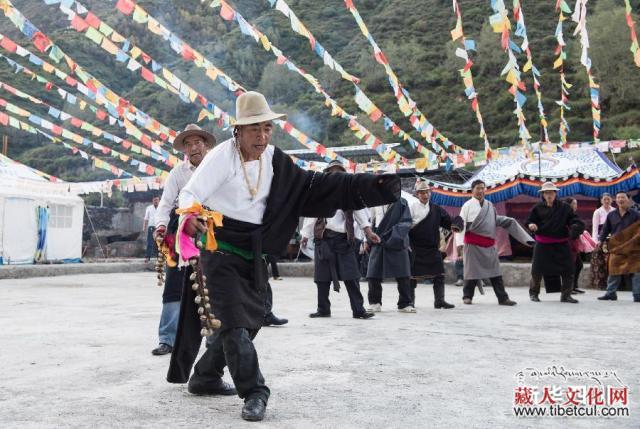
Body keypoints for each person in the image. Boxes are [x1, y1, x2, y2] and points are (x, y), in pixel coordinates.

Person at [167, 91, 400, 422]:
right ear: (238, 131)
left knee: (249, 322)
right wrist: (191, 217)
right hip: (218, 252)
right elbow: (190, 193)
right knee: (234, 323)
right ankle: (255, 391)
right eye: (254, 130)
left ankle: (205, 376)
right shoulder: (222, 156)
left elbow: (316, 186)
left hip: (254, 252)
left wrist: (371, 187)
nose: (261, 137)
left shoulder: (275, 160)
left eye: (266, 129)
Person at [151, 124, 215, 356]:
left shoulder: (217, 166)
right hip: (183, 230)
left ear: (206, 145)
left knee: (213, 283)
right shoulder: (178, 172)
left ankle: (213, 338)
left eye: (198, 142)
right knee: (174, 283)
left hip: (212, 229)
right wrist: (160, 226)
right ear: (184, 150)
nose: (194, 147)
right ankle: (167, 338)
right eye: (188, 144)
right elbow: (167, 203)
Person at [301, 160, 380, 319]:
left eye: (339, 172)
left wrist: (369, 232)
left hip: (344, 240)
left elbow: (360, 215)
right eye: (332, 172)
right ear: (328, 174)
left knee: (351, 276)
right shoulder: (320, 193)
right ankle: (323, 309)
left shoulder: (350, 194)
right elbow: (311, 216)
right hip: (323, 240)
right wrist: (305, 234)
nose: (336, 175)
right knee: (322, 278)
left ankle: (358, 310)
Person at [460, 179, 531, 306]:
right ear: (472, 190)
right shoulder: (467, 206)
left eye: (483, 188)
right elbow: (460, 226)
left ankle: (503, 298)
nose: (481, 191)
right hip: (472, 245)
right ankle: (467, 296)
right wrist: (460, 245)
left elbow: (493, 220)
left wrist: (508, 221)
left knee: (496, 273)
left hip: (489, 245)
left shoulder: (489, 205)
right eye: (478, 188)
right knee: (472, 272)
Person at [527, 183, 584, 303]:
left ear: (555, 194)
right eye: (546, 193)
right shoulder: (537, 208)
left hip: (561, 244)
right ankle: (534, 293)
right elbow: (529, 221)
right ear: (542, 194)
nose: (549, 195)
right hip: (542, 244)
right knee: (537, 270)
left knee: (568, 269)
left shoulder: (565, 208)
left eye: (551, 192)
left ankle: (566, 295)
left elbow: (574, 220)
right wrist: (531, 225)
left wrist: (575, 226)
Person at [408, 181, 461, 309]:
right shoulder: (411, 208)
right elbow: (405, 225)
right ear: (417, 194)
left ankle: (439, 301)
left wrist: (457, 222)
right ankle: (409, 302)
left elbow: (448, 222)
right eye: (422, 193)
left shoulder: (436, 209)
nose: (425, 195)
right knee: (412, 277)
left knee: (439, 274)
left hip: (432, 247)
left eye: (427, 192)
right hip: (416, 247)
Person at [366, 184, 414, 313]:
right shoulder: (374, 203)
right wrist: (367, 240)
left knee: (403, 274)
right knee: (373, 273)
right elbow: (369, 222)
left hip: (397, 241)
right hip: (377, 239)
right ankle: (374, 302)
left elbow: (406, 222)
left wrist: (391, 237)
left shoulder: (402, 203)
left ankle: (405, 303)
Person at [597, 191, 640, 302]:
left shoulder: (636, 214)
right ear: (616, 200)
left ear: (628, 200)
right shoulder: (611, 215)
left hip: (633, 247)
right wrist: (600, 241)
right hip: (617, 247)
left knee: (636, 271)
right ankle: (611, 293)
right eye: (618, 198)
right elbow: (605, 229)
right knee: (613, 270)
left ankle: (637, 295)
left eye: (623, 197)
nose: (621, 200)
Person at [563, 197, 595, 295]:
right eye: (574, 204)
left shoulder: (574, 215)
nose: (576, 206)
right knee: (571, 266)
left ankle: (574, 286)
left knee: (578, 265)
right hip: (567, 243)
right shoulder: (564, 215)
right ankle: (568, 287)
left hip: (575, 243)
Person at [590, 193, 615, 290]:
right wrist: (595, 241)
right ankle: (601, 284)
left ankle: (614, 284)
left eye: (608, 199)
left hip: (613, 238)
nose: (607, 201)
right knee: (600, 262)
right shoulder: (598, 211)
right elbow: (595, 228)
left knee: (612, 261)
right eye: (605, 199)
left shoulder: (615, 211)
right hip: (601, 239)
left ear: (611, 200)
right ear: (601, 201)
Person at [143, 195, 160, 262]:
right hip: (151, 227)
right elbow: (146, 218)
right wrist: (144, 227)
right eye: (154, 200)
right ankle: (147, 257)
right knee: (150, 242)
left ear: (159, 200)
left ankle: (160, 257)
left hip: (159, 227)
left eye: (157, 200)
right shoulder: (149, 208)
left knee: (159, 243)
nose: (155, 201)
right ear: (152, 201)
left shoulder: (162, 208)